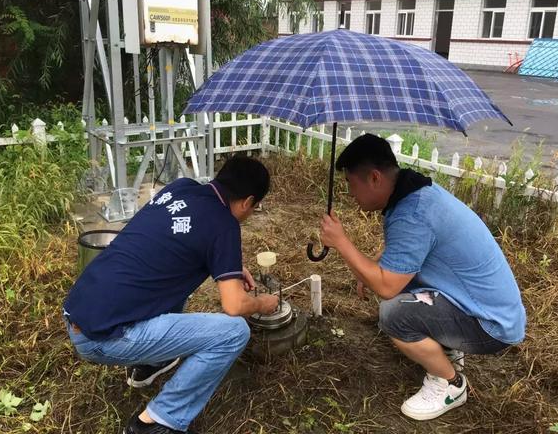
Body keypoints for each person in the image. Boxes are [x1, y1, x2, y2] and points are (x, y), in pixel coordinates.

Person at [63, 156, 279, 434]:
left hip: (79, 310)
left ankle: (149, 364)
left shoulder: (181, 188)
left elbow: (175, 243)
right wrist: (263, 302)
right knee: (234, 332)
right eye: (255, 207)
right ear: (248, 201)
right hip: (103, 338)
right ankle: (157, 421)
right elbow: (234, 305)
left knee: (174, 276)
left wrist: (230, 265)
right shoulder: (224, 224)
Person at [318, 134, 526, 421]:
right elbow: (409, 250)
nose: (351, 194)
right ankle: (446, 348)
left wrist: (342, 243)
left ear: (375, 178)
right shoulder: (415, 191)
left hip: (490, 325)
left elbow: (386, 287)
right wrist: (374, 264)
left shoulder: (413, 213)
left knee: (394, 314)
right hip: (486, 306)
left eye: (351, 184)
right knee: (403, 290)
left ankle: (450, 383)